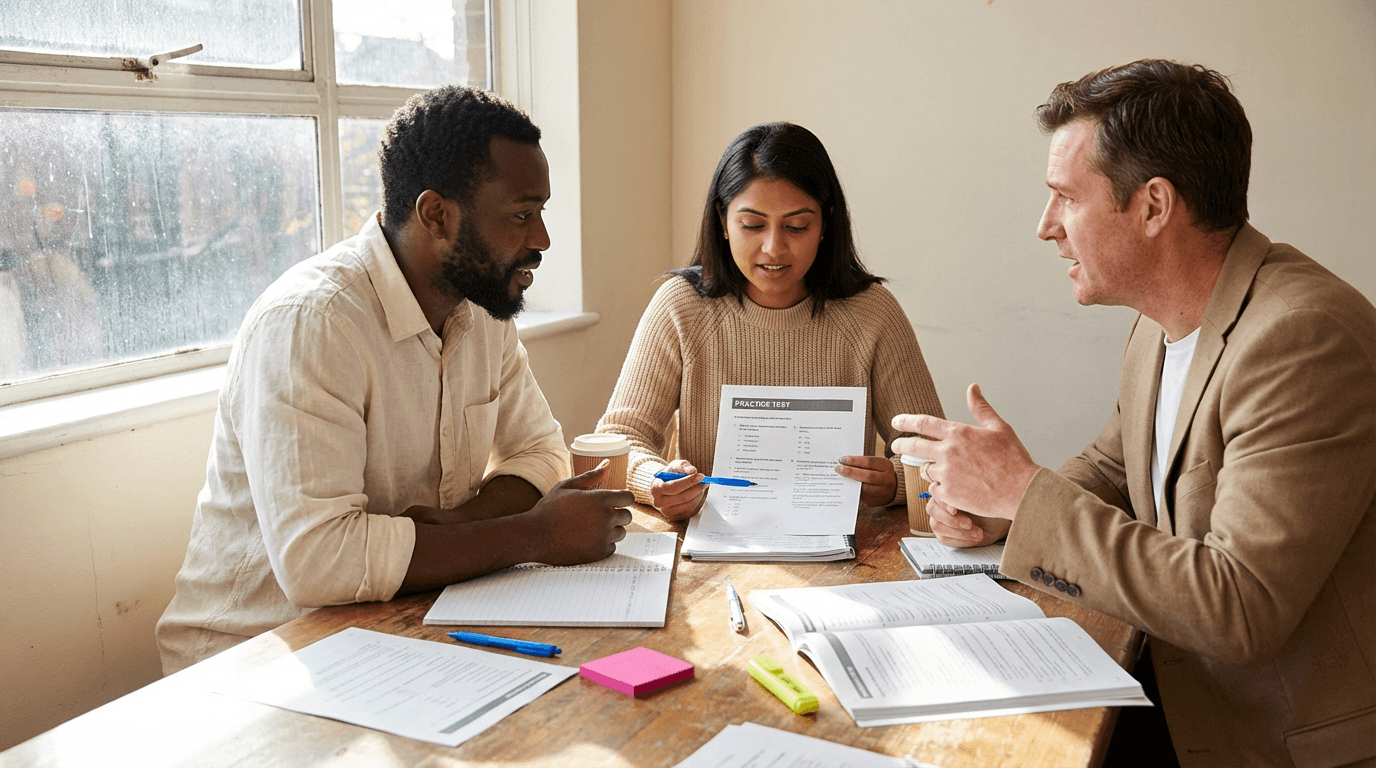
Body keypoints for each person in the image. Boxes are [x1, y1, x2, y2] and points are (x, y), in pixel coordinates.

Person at [892, 60, 1376, 767]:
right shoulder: (1158, 321)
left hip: (1277, 745)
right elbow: (1116, 467)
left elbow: (1240, 606)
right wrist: (1002, 510)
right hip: (1175, 694)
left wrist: (1026, 496)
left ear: (1153, 207)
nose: (1045, 227)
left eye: (1065, 198)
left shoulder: (1302, 340)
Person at [156, 86, 634, 674]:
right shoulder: (312, 322)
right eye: (520, 215)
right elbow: (318, 561)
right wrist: (535, 537)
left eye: (540, 214)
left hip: (398, 626)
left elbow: (539, 452)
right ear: (437, 215)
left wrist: (459, 525)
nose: (542, 240)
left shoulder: (482, 310)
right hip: (255, 659)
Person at [596, 122, 944, 520]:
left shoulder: (872, 313)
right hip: (708, 539)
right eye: (752, 225)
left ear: (826, 224)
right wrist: (657, 481)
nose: (774, 248)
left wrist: (895, 481)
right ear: (722, 221)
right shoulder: (682, 306)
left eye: (797, 226)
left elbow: (934, 453)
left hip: (840, 541)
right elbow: (619, 438)